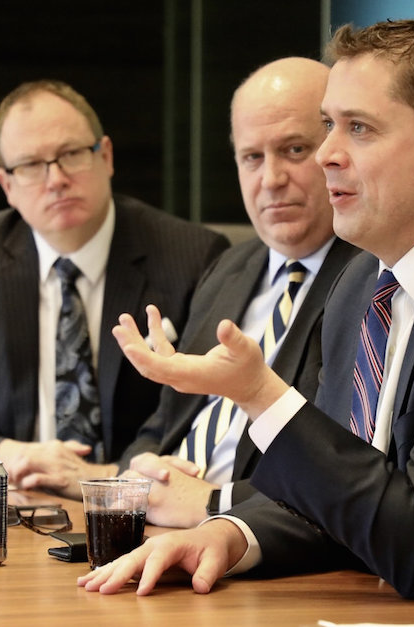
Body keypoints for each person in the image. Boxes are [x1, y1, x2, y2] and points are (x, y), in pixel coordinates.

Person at [79, 19, 414, 626]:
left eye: (359, 128)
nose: (328, 152)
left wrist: (261, 395)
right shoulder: (363, 281)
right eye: (330, 125)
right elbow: (347, 489)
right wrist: (230, 536)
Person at [0, 80, 229, 490]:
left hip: (135, 508)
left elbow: (195, 414)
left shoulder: (190, 256)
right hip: (17, 503)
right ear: (8, 186)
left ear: (106, 156)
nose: (55, 179)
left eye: (71, 155)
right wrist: (12, 455)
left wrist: (103, 479)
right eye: (30, 166)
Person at [114, 58, 359, 527]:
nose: (270, 179)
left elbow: (346, 466)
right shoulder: (228, 267)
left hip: (261, 548)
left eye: (294, 149)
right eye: (252, 157)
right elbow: (164, 423)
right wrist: (142, 471)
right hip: (155, 528)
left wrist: (215, 503)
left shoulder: (371, 280)